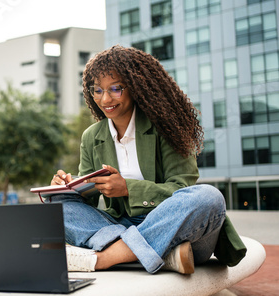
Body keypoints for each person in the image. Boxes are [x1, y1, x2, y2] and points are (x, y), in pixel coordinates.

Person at [49, 45, 246, 274]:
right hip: (118, 226)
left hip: (179, 229)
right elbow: (88, 202)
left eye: (115, 89)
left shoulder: (166, 126)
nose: (105, 99)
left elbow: (181, 189)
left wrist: (127, 189)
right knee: (58, 206)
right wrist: (67, 189)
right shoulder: (92, 137)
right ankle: (162, 254)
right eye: (98, 90)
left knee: (209, 197)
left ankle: (106, 258)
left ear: (135, 87)